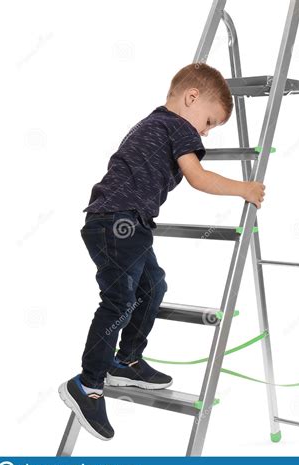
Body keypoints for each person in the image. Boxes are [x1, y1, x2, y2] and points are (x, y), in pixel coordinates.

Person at [58, 62, 266, 441]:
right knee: (119, 300)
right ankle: (87, 385)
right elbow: (198, 178)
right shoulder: (178, 127)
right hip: (118, 222)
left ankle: (127, 360)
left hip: (126, 224)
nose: (205, 133)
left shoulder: (155, 122)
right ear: (190, 99)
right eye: (208, 122)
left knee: (153, 286)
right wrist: (245, 188)